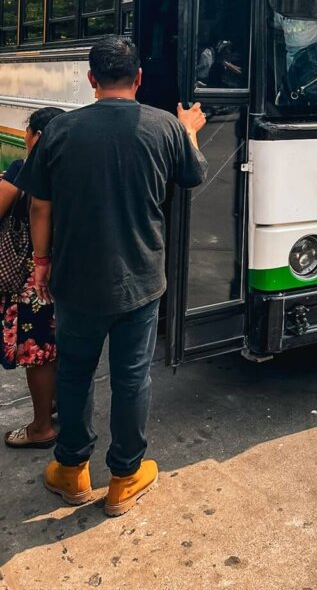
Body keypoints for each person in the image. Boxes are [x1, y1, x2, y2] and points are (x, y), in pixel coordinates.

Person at [16, 35, 208, 517]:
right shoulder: (164, 127)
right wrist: (188, 130)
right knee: (132, 378)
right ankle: (124, 477)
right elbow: (194, 175)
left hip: (75, 281)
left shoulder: (59, 132)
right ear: (139, 78)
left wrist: (41, 264)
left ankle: (71, 471)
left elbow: (41, 204)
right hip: (141, 281)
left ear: (90, 80)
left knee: (76, 373)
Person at [1, 108, 64, 449]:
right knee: (58, 348)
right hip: (67, 274)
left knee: (37, 352)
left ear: (37, 136)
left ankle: (42, 427)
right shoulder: (71, 171)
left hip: (32, 280)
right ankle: (55, 406)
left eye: (27, 132)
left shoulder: (22, 171)